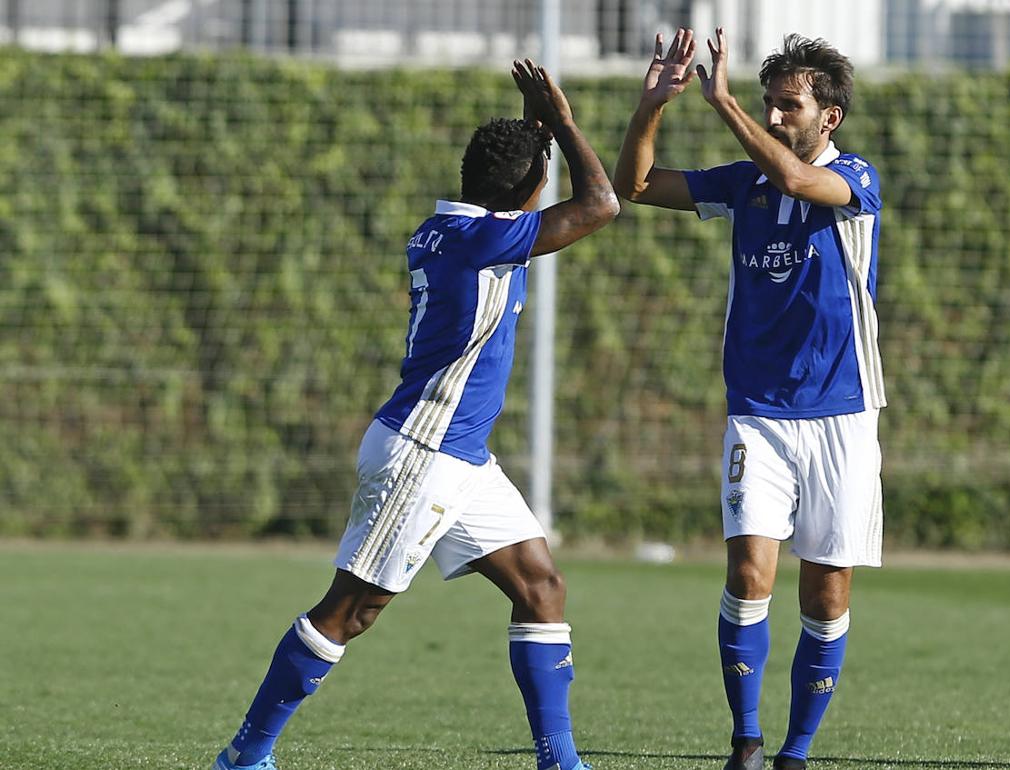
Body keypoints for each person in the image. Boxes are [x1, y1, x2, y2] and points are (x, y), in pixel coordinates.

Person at [212, 59, 618, 770]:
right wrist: (561, 123)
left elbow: (516, 186)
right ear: (524, 192)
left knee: (540, 585)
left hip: (459, 456)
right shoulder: (486, 240)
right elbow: (602, 204)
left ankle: (560, 761)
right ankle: (246, 756)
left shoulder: (449, 229)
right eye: (538, 175)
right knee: (351, 611)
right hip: (423, 454)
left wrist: (531, 129)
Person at [613, 28, 885, 770]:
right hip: (758, 413)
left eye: (787, 106)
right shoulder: (743, 184)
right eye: (767, 104)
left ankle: (797, 753)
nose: (773, 117)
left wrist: (724, 102)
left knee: (826, 595)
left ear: (828, 118)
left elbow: (802, 183)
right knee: (748, 576)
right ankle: (746, 743)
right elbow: (635, 185)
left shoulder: (857, 177)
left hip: (843, 415)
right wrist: (651, 108)